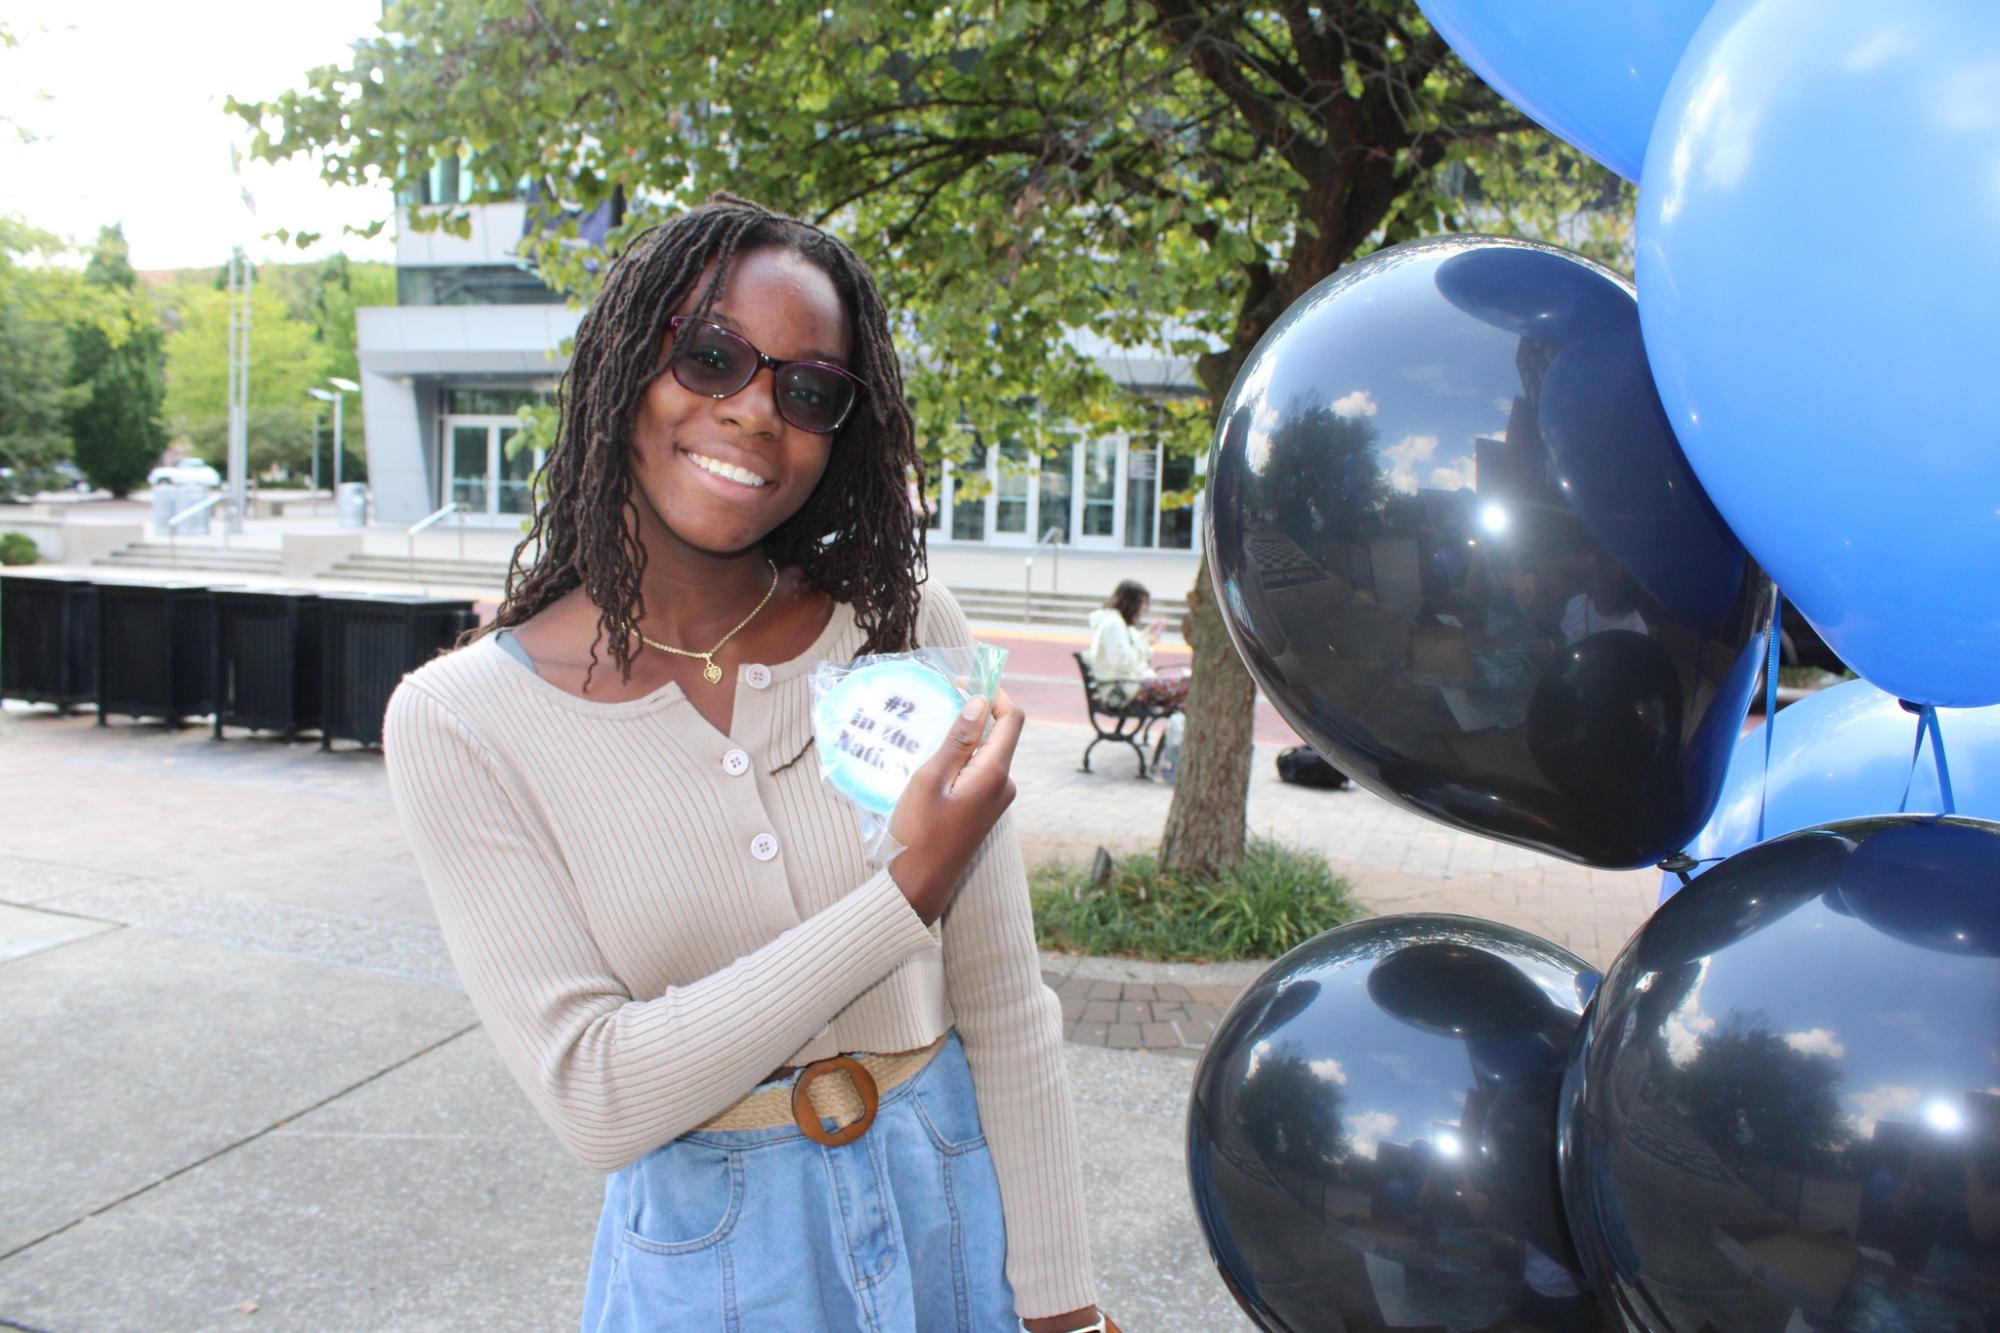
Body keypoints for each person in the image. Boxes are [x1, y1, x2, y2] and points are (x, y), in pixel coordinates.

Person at [383, 195, 1113, 1333]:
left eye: (807, 388)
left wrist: (1065, 1309)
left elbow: (1007, 1006)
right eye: (710, 356)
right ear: (627, 367)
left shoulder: (906, 629)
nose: (755, 413)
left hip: (951, 1221)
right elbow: (597, 1093)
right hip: (711, 1271)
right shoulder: (462, 719)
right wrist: (902, 891)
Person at [1085, 579, 1188, 712]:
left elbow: (1129, 650)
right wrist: (1147, 643)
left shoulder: (1117, 623)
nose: (1144, 610)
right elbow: (1122, 661)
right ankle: (1180, 729)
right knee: (1188, 686)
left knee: (1185, 691)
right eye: (1143, 604)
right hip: (1123, 692)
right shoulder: (1114, 625)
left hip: (1128, 687)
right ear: (1131, 604)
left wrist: (1147, 634)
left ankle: (1178, 729)